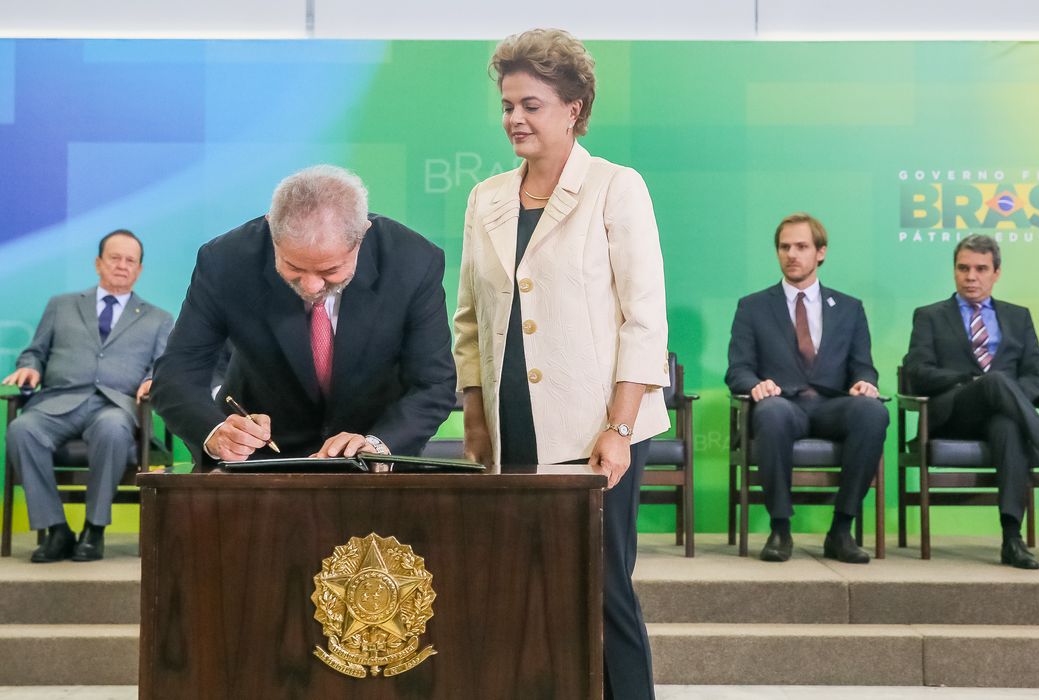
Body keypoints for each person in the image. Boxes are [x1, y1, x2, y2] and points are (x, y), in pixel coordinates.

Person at [453, 28, 669, 700]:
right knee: (516, 591)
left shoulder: (615, 187)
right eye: (508, 105)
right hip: (510, 430)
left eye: (531, 105)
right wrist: (477, 419)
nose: (515, 118)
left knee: (603, 592)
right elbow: (469, 320)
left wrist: (621, 427)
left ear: (573, 108)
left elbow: (644, 317)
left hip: (595, 433)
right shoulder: (485, 197)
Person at [151, 165, 455, 463]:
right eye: (293, 267)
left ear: (362, 235)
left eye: (330, 270)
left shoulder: (412, 261)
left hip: (368, 459)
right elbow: (177, 373)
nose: (311, 286)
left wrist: (379, 444)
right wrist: (215, 432)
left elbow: (433, 383)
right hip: (257, 461)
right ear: (271, 227)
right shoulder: (225, 261)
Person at [902, 234, 1039, 569]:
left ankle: (1011, 537)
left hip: (1002, 415)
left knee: (1007, 424)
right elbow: (918, 372)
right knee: (997, 380)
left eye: (980, 268)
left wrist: (1010, 396)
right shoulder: (929, 316)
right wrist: (974, 382)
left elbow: (1036, 375)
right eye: (963, 268)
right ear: (954, 271)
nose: (971, 276)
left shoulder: (1018, 317)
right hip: (953, 414)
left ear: (996, 272)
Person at [725, 213, 888, 564]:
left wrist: (865, 382)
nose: (791, 254)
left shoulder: (849, 308)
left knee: (873, 411)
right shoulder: (753, 307)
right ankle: (780, 529)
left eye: (801, 246)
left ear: (821, 253)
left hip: (833, 406)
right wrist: (756, 385)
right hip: (783, 404)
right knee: (770, 412)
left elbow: (863, 364)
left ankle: (841, 530)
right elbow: (738, 370)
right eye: (784, 247)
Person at [2, 230, 173, 562]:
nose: (122, 266)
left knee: (111, 430)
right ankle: (56, 529)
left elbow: (162, 366)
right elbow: (34, 352)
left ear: (138, 270)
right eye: (115, 258)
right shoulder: (61, 305)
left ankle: (94, 530)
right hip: (58, 401)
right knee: (21, 430)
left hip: (115, 406)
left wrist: (154, 380)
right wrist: (30, 368)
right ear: (98, 263)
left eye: (130, 260)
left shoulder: (158, 318)